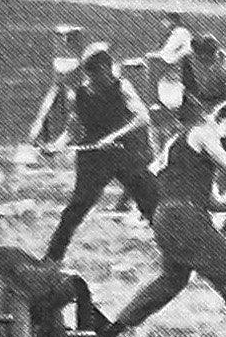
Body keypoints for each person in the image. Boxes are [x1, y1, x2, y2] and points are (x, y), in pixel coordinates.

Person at [98, 96, 226, 337]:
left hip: (166, 217)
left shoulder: (177, 145)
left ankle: (117, 326)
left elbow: (212, 202)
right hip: (184, 217)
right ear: (217, 119)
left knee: (172, 280)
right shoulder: (203, 132)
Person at [42, 43, 159, 265]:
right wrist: (57, 146)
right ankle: (52, 259)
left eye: (98, 74)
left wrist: (114, 136)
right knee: (77, 208)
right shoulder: (80, 94)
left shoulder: (122, 87)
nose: (95, 80)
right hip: (94, 158)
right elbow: (73, 129)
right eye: (91, 75)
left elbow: (142, 117)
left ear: (106, 68)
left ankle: (178, 257)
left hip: (125, 154)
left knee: (152, 204)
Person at [177, 32, 226, 118]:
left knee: (225, 120)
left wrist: (215, 107)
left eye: (206, 59)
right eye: (198, 57)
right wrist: (200, 104)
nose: (203, 62)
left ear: (214, 56)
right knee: (188, 116)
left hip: (219, 99)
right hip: (199, 97)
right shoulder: (188, 60)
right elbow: (187, 87)